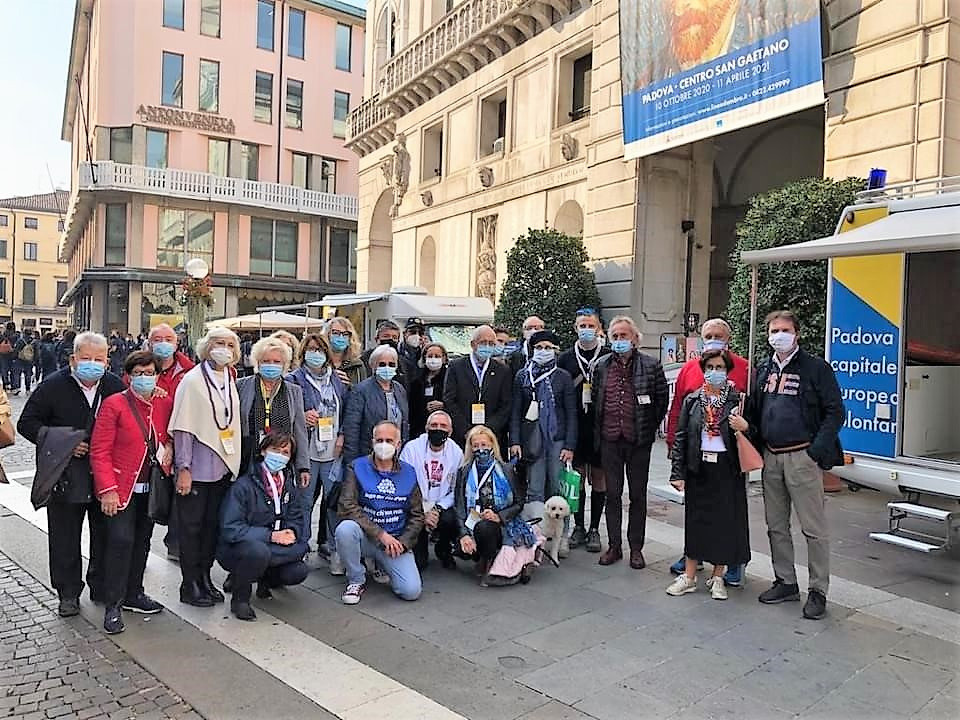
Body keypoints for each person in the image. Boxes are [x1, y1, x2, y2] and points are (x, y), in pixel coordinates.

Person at [744, 310, 844, 621]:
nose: (779, 335)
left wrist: (815, 452)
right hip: (771, 457)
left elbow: (835, 412)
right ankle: (785, 580)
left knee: (813, 529)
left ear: (796, 333)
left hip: (803, 457)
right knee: (776, 526)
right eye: (774, 330)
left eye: (785, 329)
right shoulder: (763, 369)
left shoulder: (816, 368)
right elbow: (757, 411)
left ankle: (818, 590)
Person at [17, 332, 126, 616]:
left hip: (103, 475)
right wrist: (64, 441)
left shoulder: (114, 386)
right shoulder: (53, 386)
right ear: (73, 358)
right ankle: (68, 592)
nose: (92, 364)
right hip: (65, 475)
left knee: (104, 533)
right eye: (86, 358)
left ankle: (100, 584)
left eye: (99, 359)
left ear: (107, 361)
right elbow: (26, 423)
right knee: (64, 536)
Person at [90, 350, 174, 633]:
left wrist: (169, 451)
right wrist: (107, 490)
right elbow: (99, 451)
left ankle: (134, 593)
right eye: (138, 374)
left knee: (142, 542)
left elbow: (167, 435)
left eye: (150, 373)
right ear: (128, 376)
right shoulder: (114, 404)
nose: (144, 379)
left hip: (149, 489)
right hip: (120, 488)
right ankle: (112, 603)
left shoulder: (163, 403)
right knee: (119, 543)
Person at [666, 318, 749, 582]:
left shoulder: (745, 369)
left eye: (718, 335)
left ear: (728, 338)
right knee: (697, 509)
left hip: (730, 457)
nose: (713, 339)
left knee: (730, 510)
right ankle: (695, 554)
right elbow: (678, 408)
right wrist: (672, 445)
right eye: (708, 335)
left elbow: (754, 411)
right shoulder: (689, 369)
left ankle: (732, 561)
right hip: (697, 453)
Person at [168, 327, 242, 607]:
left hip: (221, 468)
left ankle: (205, 578)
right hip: (197, 470)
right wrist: (183, 468)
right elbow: (184, 427)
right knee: (191, 529)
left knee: (211, 528)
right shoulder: (192, 381)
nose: (224, 348)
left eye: (229, 344)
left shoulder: (229, 377)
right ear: (206, 347)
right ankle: (190, 585)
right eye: (218, 343)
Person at [592, 316, 669, 568]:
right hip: (610, 440)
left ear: (635, 339)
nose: (619, 341)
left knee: (638, 495)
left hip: (638, 441)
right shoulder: (601, 365)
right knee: (612, 494)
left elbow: (660, 402)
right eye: (615, 336)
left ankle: (636, 548)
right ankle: (614, 546)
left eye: (624, 336)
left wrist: (647, 428)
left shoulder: (651, 365)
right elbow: (596, 401)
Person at [218, 431, 310, 621]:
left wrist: (292, 531)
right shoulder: (244, 485)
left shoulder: (288, 485)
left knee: (299, 568)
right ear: (263, 451)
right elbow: (231, 528)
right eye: (275, 450)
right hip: (243, 546)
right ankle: (240, 599)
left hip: (275, 545)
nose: (280, 456)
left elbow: (296, 517)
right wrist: (270, 536)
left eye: (285, 452)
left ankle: (265, 579)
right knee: (258, 552)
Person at [335, 420, 424, 605]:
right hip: (366, 536)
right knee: (345, 530)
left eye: (389, 441)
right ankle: (356, 579)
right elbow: (347, 505)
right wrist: (380, 534)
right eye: (380, 440)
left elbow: (417, 515)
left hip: (395, 540)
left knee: (411, 591)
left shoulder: (409, 472)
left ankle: (382, 564)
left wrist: (404, 542)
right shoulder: (357, 467)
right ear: (372, 442)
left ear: (398, 444)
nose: (384, 445)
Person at [285, 332, 348, 572]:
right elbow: (287, 413)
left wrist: (342, 434)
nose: (316, 354)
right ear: (303, 353)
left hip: (333, 451)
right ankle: (300, 548)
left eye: (320, 350)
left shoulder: (337, 380)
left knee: (334, 503)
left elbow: (346, 408)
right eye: (310, 350)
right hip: (307, 451)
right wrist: (302, 415)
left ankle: (335, 550)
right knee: (303, 503)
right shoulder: (293, 379)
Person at [509, 331, 577, 549]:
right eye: (539, 347)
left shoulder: (562, 376)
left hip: (557, 439)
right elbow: (516, 411)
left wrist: (569, 444)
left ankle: (561, 536)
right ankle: (536, 533)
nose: (543, 351)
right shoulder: (522, 375)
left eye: (548, 348)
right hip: (532, 440)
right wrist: (515, 441)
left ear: (555, 351)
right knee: (535, 488)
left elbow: (571, 412)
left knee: (557, 488)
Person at [557, 308, 611, 552]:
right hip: (575, 425)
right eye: (582, 325)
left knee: (599, 478)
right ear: (575, 327)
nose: (587, 330)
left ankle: (594, 529)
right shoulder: (566, 358)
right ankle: (578, 526)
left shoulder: (608, 356)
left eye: (591, 325)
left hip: (601, 427)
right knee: (576, 479)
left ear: (599, 328)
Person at [454, 425, 530, 583]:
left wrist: (499, 516)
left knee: (485, 526)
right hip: (472, 519)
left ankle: (488, 558)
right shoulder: (464, 471)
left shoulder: (507, 470)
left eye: (484, 445)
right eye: (475, 446)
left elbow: (519, 503)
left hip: (501, 523)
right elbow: (460, 505)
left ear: (492, 446)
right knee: (468, 535)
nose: (480, 449)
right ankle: (478, 553)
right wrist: (464, 534)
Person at [148, 323, 196, 562]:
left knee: (181, 495)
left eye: (168, 338)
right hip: (149, 441)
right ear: (150, 343)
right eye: (158, 339)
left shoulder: (189, 370)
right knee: (150, 495)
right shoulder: (140, 369)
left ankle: (175, 543)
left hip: (179, 439)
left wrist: (172, 443)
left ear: (177, 343)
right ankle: (140, 549)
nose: (163, 343)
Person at [237, 337, 310, 488]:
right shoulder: (241, 386)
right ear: (257, 362)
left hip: (281, 460)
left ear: (285, 365)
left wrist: (303, 467)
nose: (271, 365)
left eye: (277, 362)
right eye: (266, 361)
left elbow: (300, 431)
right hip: (247, 459)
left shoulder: (293, 391)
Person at [399, 410, 463, 570]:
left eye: (443, 426)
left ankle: (443, 548)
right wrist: (423, 511)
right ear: (426, 428)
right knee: (420, 564)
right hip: (417, 504)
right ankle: (419, 546)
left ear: (450, 431)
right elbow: (404, 484)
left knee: (450, 520)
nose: (438, 429)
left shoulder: (456, 452)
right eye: (434, 425)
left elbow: (456, 489)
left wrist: (437, 509)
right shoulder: (411, 448)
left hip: (442, 505)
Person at [443, 325, 512, 448]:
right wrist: (466, 430)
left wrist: (486, 431)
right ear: (473, 344)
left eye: (491, 343)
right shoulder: (456, 366)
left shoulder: (503, 370)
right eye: (483, 342)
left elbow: (506, 405)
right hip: (462, 435)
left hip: (491, 437)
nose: (487, 346)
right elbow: (449, 400)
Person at [342, 344, 410, 463]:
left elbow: (404, 423)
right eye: (382, 364)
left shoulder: (400, 389)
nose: (387, 367)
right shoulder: (361, 391)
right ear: (373, 365)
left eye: (391, 364)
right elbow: (352, 430)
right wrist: (352, 463)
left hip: (396, 457)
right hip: (368, 456)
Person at [407, 342, 448, 437]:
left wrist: (444, 405)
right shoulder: (416, 379)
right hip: (419, 428)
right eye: (430, 356)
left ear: (444, 358)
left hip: (442, 427)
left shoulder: (450, 378)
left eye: (437, 356)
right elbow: (411, 406)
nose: (433, 359)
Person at [323, 316, 367, 387]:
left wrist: (349, 386)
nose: (340, 337)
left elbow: (363, 393)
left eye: (345, 334)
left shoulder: (357, 365)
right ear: (327, 334)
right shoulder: (320, 362)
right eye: (336, 333)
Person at [361, 320, 406, 387]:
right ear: (377, 339)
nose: (391, 339)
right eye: (386, 336)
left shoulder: (403, 362)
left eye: (394, 337)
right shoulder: (364, 358)